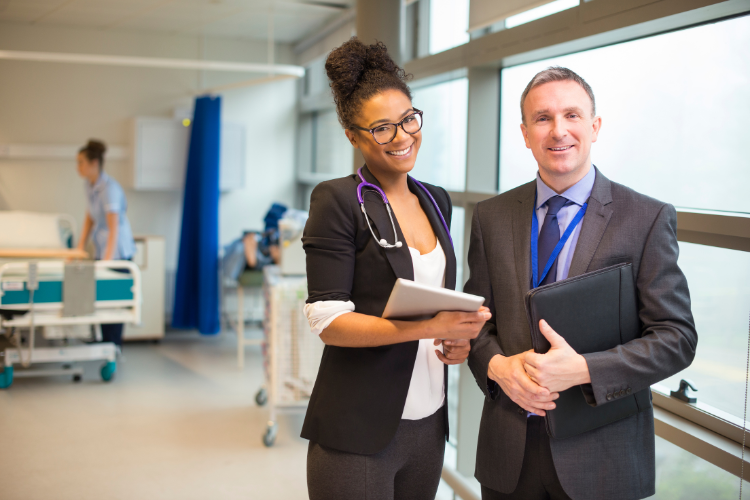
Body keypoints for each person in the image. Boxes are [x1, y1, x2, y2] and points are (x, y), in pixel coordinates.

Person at [464, 67, 697, 500]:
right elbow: (476, 321)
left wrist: (586, 370)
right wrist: (498, 368)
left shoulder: (645, 218)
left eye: (572, 115)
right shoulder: (491, 217)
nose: (558, 131)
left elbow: (676, 338)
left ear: (595, 126)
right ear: (524, 132)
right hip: (508, 453)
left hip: (602, 459)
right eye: (542, 118)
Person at [301, 38, 491, 500]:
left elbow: (436, 300)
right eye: (382, 128)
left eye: (408, 119)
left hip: (428, 425)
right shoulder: (338, 200)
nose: (403, 137)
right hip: (358, 430)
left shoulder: (436, 200)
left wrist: (455, 338)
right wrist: (428, 326)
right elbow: (328, 321)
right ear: (353, 135)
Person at [76, 139, 136, 347]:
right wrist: (79, 247)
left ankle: (113, 346)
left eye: (81, 162)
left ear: (94, 163)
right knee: (101, 298)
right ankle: (102, 342)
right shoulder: (89, 186)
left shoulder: (110, 189)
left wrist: (108, 261)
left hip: (118, 252)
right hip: (103, 250)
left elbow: (114, 227)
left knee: (115, 301)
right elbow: (90, 217)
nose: (78, 167)